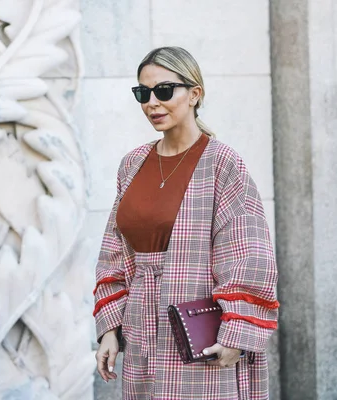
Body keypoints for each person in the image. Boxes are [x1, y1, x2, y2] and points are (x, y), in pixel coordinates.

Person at [93, 46, 279, 400]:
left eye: (164, 91)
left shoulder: (222, 163)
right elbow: (114, 255)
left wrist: (236, 334)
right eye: (142, 93)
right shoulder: (132, 164)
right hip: (141, 329)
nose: (152, 103)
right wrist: (109, 330)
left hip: (200, 331)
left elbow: (248, 254)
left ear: (195, 94)